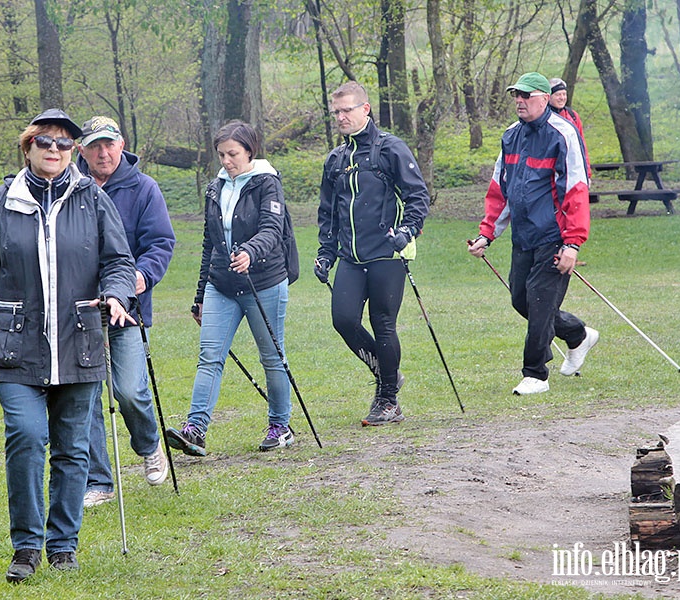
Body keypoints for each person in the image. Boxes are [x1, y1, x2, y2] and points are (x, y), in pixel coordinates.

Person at [0, 108, 136, 583]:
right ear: (28, 148)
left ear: (72, 150)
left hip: (80, 342)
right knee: (28, 437)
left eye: (62, 143)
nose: (54, 149)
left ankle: (63, 545)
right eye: (44, 142)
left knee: (73, 449)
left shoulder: (92, 200)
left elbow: (119, 260)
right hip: (13, 346)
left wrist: (116, 294)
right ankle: (27, 546)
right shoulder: (2, 202)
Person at [165, 120, 293, 455]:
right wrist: (199, 297)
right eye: (221, 154)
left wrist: (251, 251)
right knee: (209, 356)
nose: (226, 160)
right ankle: (195, 430)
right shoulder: (215, 188)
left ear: (250, 151)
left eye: (232, 154)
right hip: (221, 285)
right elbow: (210, 244)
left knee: (272, 357)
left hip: (264, 282)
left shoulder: (267, 183)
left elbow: (271, 228)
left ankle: (280, 425)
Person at [468, 72, 599, 396]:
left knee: (540, 304)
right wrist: (487, 234)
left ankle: (536, 374)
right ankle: (578, 334)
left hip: (554, 235)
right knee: (521, 300)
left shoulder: (563, 133)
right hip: (523, 235)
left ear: (544, 97)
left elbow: (577, 189)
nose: (520, 101)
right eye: (516, 95)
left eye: (526, 96)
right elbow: (501, 189)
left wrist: (572, 243)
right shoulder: (510, 135)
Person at [314, 80, 430, 427]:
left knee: (383, 325)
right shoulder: (336, 158)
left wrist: (407, 231)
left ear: (365, 109)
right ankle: (389, 373)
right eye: (336, 112)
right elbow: (328, 212)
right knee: (344, 320)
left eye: (347, 110)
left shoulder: (390, 149)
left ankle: (388, 400)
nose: (341, 117)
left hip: (386, 255)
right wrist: (325, 253)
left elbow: (417, 197)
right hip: (351, 257)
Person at [75, 116, 176, 506]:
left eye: (110, 144)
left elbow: (161, 242)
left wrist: (142, 275)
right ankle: (98, 480)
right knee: (85, 399)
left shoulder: (143, 187)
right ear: (81, 150)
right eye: (95, 146)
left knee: (129, 390)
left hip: (127, 308)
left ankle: (149, 444)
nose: (103, 153)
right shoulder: (71, 188)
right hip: (79, 310)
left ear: (122, 144)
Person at [549, 77, 591, 179]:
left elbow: (582, 146)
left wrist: (587, 173)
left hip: (572, 169)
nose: (562, 98)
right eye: (558, 95)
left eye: (564, 94)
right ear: (549, 97)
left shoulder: (573, 116)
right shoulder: (542, 117)